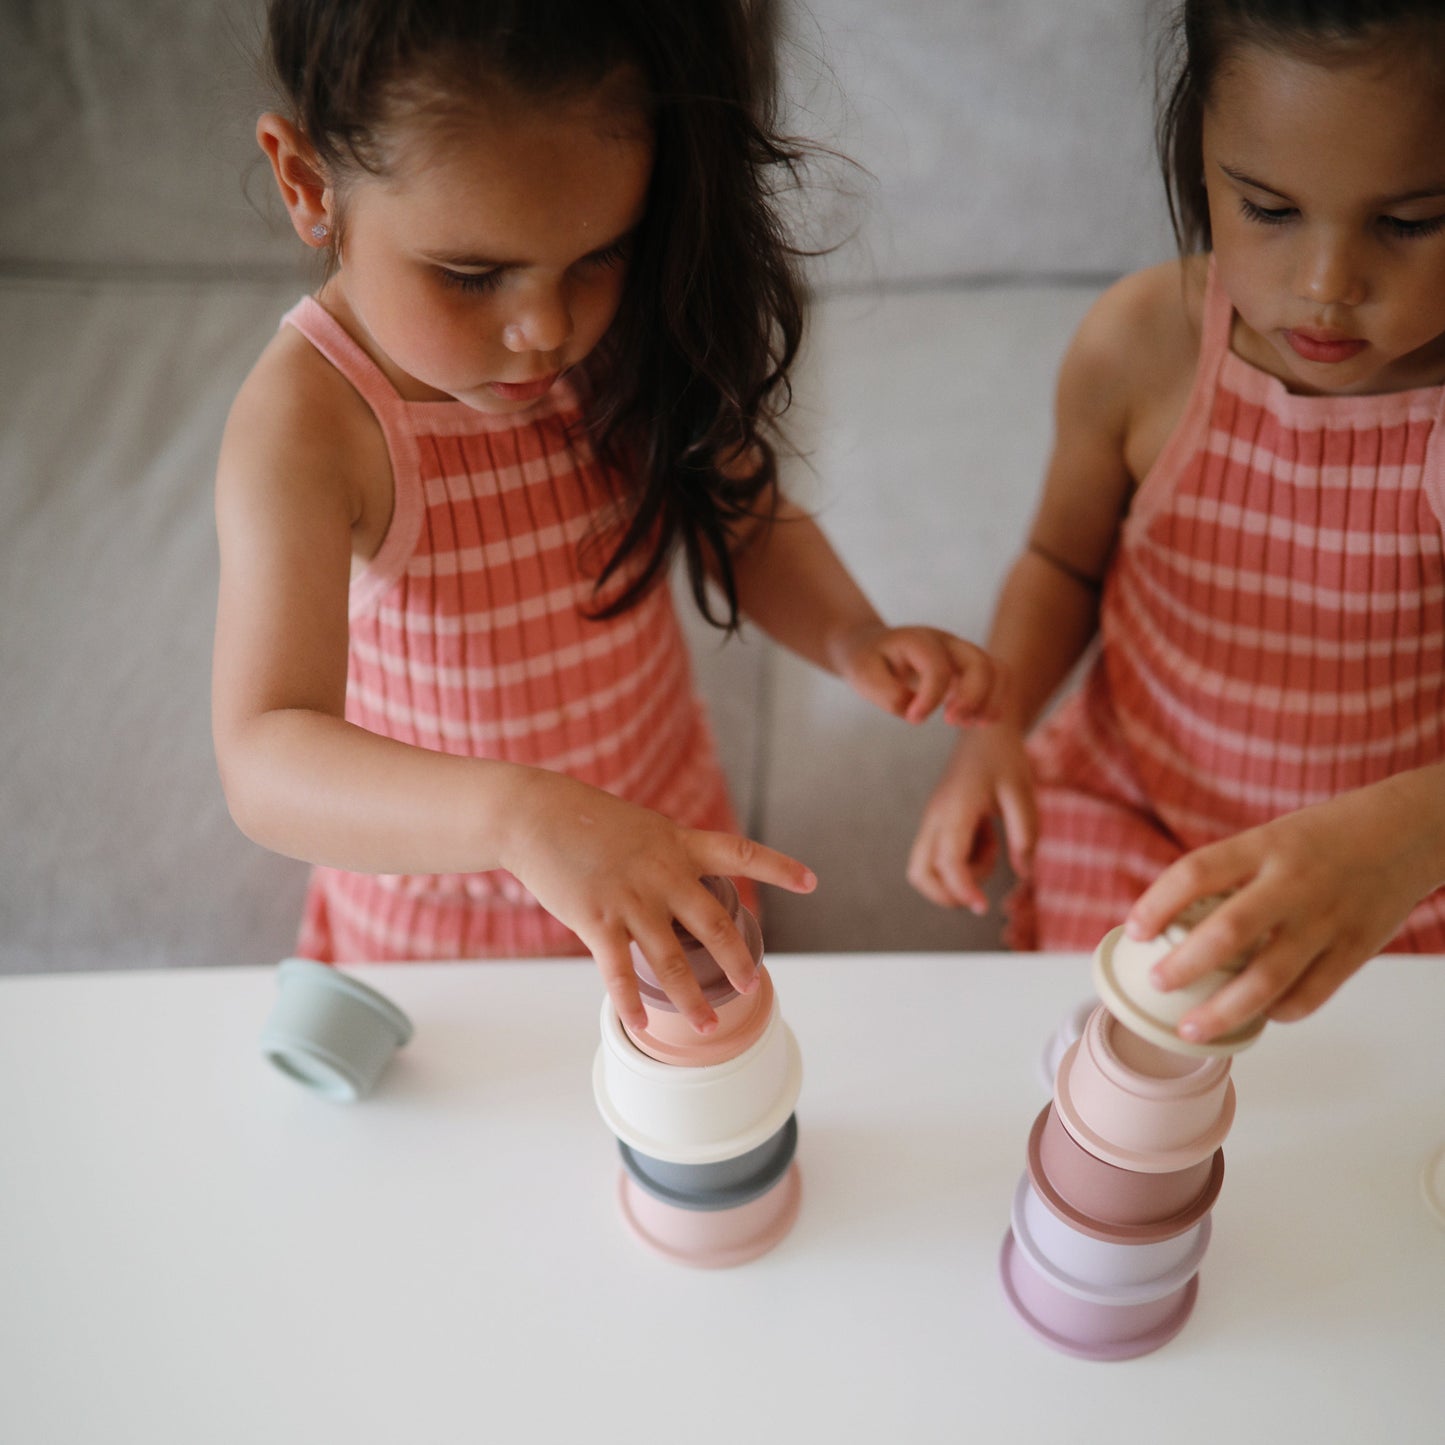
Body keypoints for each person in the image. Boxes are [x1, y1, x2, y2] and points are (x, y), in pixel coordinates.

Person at [213, 0, 1001, 1038]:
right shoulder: (309, 427)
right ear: (309, 182)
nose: (545, 329)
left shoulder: (622, 336)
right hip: (445, 918)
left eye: (596, 255)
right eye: (468, 275)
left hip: (661, 842)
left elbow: (740, 512)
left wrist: (850, 632)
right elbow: (266, 752)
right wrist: (519, 815)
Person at [909, 0, 1445, 1045]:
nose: (1325, 287)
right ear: (1196, 155)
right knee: (1104, 1081)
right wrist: (993, 727)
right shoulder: (1139, 345)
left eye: (1410, 221)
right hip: (1135, 812)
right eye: (1267, 209)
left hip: (1392, 860)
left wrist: (1401, 842)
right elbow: (1060, 562)